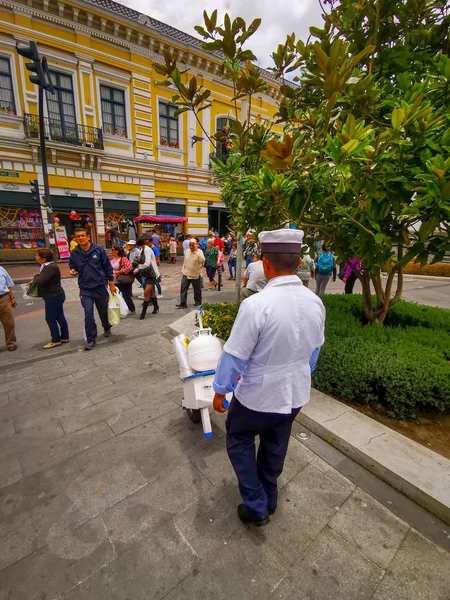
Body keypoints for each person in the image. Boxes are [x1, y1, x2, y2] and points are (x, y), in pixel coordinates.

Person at [212, 228, 325, 526]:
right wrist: (298, 374)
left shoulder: (256, 304)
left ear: (264, 262)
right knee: (276, 442)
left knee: (238, 439)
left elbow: (235, 355)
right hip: (295, 394)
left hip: (258, 397)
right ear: (299, 260)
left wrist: (220, 391)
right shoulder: (316, 302)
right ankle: (270, 496)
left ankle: (256, 504)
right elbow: (314, 352)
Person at [69, 229, 116, 351]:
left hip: (100, 286)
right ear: (75, 238)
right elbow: (73, 266)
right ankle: (91, 339)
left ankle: (106, 326)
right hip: (85, 288)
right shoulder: (74, 253)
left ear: (88, 237)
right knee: (88, 313)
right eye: (78, 236)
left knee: (103, 311)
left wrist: (111, 283)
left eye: (83, 236)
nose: (80, 238)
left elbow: (107, 267)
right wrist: (73, 270)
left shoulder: (98, 250)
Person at [33, 248, 69, 348]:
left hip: (53, 296)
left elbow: (40, 281)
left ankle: (56, 339)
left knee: (50, 318)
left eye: (37, 255)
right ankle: (64, 337)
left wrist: (35, 277)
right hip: (55, 295)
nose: (35, 257)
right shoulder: (47, 266)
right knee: (59, 316)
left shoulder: (50, 267)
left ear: (43, 259)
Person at [134, 237, 160, 319]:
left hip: (152, 274)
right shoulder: (143, 249)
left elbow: (147, 263)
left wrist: (138, 267)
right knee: (151, 292)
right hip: (147, 274)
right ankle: (156, 306)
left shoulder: (146, 250)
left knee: (146, 292)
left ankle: (143, 313)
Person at [176, 239, 205, 308]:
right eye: (190, 245)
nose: (191, 247)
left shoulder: (199, 252)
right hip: (186, 272)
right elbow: (185, 261)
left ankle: (198, 301)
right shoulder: (187, 251)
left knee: (196, 288)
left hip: (195, 273)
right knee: (183, 287)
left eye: (193, 245)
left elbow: (203, 260)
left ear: (195, 245)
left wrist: (196, 252)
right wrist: (183, 269)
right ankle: (183, 303)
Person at [110, 244, 135, 314]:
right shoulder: (111, 259)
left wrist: (120, 271)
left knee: (126, 295)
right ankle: (120, 310)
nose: (112, 251)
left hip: (122, 280)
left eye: (113, 250)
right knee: (116, 296)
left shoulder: (123, 259)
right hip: (114, 280)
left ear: (117, 251)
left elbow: (129, 267)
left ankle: (132, 309)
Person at [0, 265, 17, 351]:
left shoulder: (1, 269)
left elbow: (8, 284)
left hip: (3, 298)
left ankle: (11, 343)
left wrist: (12, 298)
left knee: (9, 323)